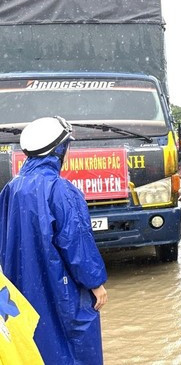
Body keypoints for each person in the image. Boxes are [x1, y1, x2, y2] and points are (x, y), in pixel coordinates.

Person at [0, 116, 108, 364]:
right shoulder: (61, 190)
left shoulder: (11, 188)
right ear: (60, 150)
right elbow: (77, 243)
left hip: (18, 287)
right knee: (73, 345)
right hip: (59, 286)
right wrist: (95, 282)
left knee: (31, 341)